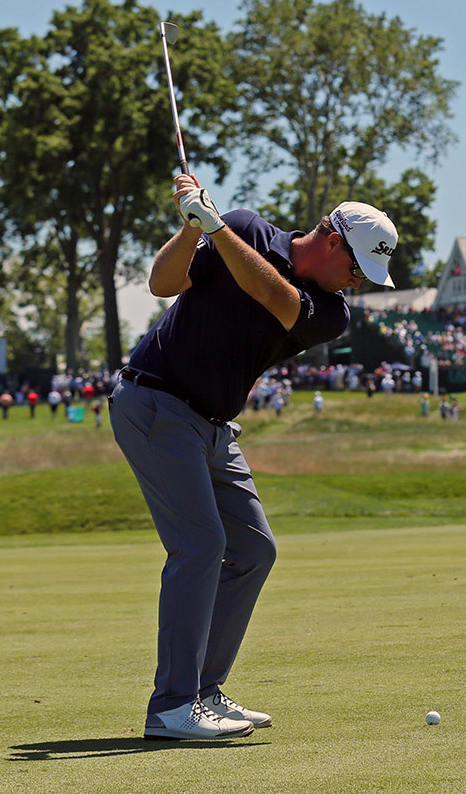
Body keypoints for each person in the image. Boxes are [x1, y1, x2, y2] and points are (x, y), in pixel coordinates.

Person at [110, 175, 397, 742]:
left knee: (253, 549)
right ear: (331, 241)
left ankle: (202, 691)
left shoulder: (330, 311)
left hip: (214, 427)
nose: (358, 282)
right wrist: (191, 226)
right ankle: (172, 706)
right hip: (156, 402)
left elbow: (272, 295)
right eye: (357, 268)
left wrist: (215, 230)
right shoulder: (244, 227)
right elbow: (162, 284)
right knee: (200, 546)